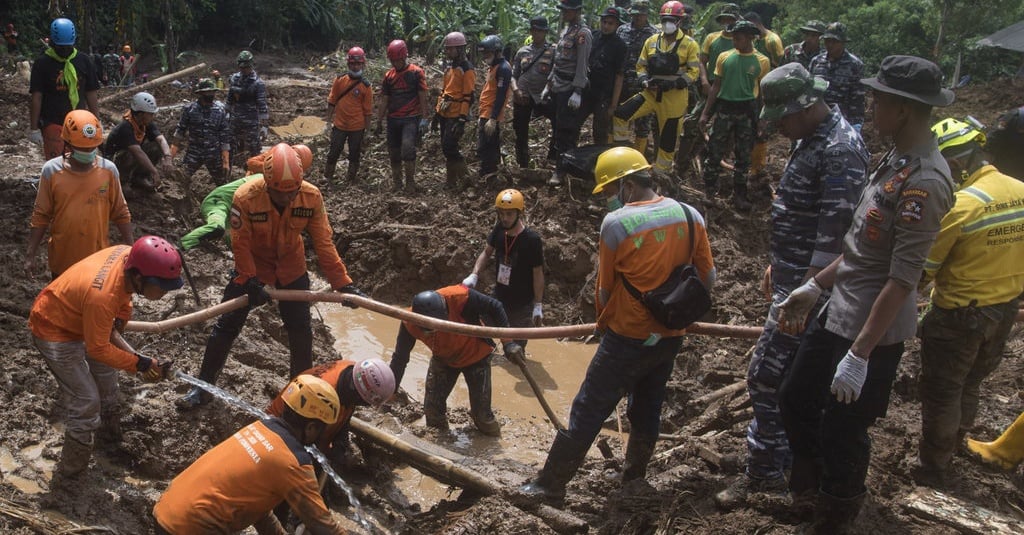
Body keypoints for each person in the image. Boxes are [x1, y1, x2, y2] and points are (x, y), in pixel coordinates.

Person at [777, 55, 955, 533]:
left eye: (878, 100)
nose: (870, 107)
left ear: (903, 109)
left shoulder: (925, 182)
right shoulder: (893, 160)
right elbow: (860, 247)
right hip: (840, 307)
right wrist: (815, 286)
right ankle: (811, 490)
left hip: (870, 331)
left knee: (844, 430)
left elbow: (902, 279)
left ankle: (835, 514)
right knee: (794, 397)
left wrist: (859, 355)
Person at [519, 146, 714, 502]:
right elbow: (707, 277)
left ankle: (549, 486)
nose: (610, 200)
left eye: (610, 192)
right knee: (647, 406)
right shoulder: (691, 215)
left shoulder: (617, 223)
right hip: (671, 334)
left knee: (588, 407)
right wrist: (677, 316)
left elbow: (604, 291)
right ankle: (633, 478)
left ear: (627, 185)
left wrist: (603, 326)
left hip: (627, 335)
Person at [714, 63, 869, 509]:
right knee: (788, 384)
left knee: (766, 377)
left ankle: (767, 474)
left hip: (810, 294)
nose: (777, 125)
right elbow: (804, 216)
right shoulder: (813, 139)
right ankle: (784, 464)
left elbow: (839, 236)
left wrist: (805, 291)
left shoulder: (839, 150)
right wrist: (776, 264)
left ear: (805, 106)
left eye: (781, 116)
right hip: (793, 278)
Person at [178, 144, 367, 409]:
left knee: (300, 331)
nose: (287, 198)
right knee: (226, 328)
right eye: (280, 193)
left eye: (292, 192)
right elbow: (240, 243)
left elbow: (324, 243)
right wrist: (250, 278)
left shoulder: (311, 197)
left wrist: (343, 284)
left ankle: (301, 393)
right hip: (253, 266)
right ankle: (202, 388)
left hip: (292, 266)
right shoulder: (246, 197)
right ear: (267, 184)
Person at [911, 118, 1024, 487]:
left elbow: (922, 271)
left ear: (955, 164)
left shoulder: (961, 207)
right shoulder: (1020, 190)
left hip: (958, 315)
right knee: (971, 383)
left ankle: (933, 468)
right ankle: (957, 442)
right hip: (1003, 310)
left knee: (943, 392)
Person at [29, 236, 179, 478]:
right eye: (161, 286)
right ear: (140, 277)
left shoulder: (129, 256)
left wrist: (122, 323)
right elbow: (98, 348)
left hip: (83, 317)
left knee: (107, 378)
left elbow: (122, 299)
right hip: (53, 328)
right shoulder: (102, 296)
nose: (164, 292)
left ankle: (108, 438)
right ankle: (71, 473)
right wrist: (140, 364)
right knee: (86, 399)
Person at [154, 375, 347, 534]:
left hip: (166, 513)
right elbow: (322, 525)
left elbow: (256, 509)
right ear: (312, 427)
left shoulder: (260, 427)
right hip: (193, 528)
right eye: (323, 430)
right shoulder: (294, 462)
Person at [388, 286, 525, 436]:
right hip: (443, 359)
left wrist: (508, 342)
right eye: (428, 330)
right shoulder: (410, 321)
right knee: (432, 410)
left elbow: (495, 306)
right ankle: (440, 440)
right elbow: (400, 357)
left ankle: (492, 438)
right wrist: (390, 390)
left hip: (476, 356)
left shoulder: (460, 297)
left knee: (482, 415)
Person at [26, 110, 133, 279]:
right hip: (62, 259)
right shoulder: (52, 171)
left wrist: (131, 248)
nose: (88, 152)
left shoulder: (108, 171)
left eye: (92, 147)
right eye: (83, 148)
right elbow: (41, 215)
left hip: (97, 260)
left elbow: (121, 212)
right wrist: (30, 254)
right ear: (67, 143)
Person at [614, 1, 699, 174]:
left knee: (667, 140)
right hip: (650, 93)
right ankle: (623, 154)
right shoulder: (652, 41)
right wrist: (644, 80)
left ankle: (661, 174)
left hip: (673, 98)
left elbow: (693, 72)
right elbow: (641, 65)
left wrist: (676, 83)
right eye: (665, 19)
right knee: (621, 115)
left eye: (672, 19)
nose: (668, 22)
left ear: (679, 21)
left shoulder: (689, 44)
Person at [183, 144, 316, 251]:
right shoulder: (262, 183)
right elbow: (250, 164)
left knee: (237, 245)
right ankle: (181, 246)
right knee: (217, 226)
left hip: (235, 211)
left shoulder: (272, 182)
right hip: (219, 202)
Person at [699, 20, 770, 212]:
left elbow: (763, 93)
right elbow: (716, 87)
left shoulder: (761, 61)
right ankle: (709, 191)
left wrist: (763, 119)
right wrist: (706, 113)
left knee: (743, 155)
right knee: (715, 151)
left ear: (749, 38)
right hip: (724, 109)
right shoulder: (724, 57)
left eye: (738, 38)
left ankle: (739, 194)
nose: (734, 41)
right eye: (733, 37)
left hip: (747, 111)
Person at [267, 359, 395, 463]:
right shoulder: (323, 396)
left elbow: (348, 410)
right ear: (357, 395)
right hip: (279, 436)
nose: (366, 406)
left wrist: (340, 443)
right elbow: (306, 434)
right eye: (365, 403)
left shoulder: (352, 371)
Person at [463, 189, 546, 349]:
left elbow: (538, 273)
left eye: (509, 214)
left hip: (522, 304)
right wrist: (474, 275)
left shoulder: (532, 240)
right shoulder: (499, 230)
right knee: (480, 339)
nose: (504, 218)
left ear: (519, 213)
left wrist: (538, 305)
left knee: (516, 351)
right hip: (499, 297)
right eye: (501, 214)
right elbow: (487, 252)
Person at [29, 18, 101, 160]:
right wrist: (34, 128)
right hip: (52, 121)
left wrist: (97, 122)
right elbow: (36, 97)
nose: (64, 51)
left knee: (82, 162)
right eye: (60, 47)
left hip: (79, 122)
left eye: (67, 47)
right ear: (53, 43)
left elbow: (91, 94)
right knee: (58, 164)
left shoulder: (84, 61)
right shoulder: (43, 63)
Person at [545, 0, 593, 186]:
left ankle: (562, 170)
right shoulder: (566, 31)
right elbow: (558, 60)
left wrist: (578, 90)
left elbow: (582, 63)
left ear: (577, 11)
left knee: (567, 131)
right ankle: (561, 164)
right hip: (558, 83)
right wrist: (548, 83)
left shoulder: (583, 33)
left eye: (568, 10)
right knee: (558, 128)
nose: (565, 13)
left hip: (570, 88)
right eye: (564, 10)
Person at [376, 39, 430, 192]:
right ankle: (397, 183)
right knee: (393, 151)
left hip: (411, 118)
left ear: (404, 57)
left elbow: (422, 96)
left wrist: (425, 118)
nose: (395, 63)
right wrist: (379, 120)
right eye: (393, 60)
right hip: (393, 119)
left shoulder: (416, 73)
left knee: (407, 149)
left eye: (398, 60)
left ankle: (410, 183)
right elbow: (384, 99)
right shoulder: (389, 76)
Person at [103, 92, 174, 191]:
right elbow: (137, 152)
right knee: (132, 153)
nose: (152, 116)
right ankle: (122, 181)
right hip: (113, 161)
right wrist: (154, 171)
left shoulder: (145, 123)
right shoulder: (125, 127)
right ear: (141, 114)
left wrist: (168, 157)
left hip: (128, 156)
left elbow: (161, 139)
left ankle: (140, 177)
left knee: (155, 146)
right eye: (150, 114)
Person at [612, 1, 658, 153]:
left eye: (641, 14)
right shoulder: (622, 30)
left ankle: (639, 158)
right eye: (635, 14)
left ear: (646, 15)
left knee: (642, 125)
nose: (637, 18)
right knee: (618, 118)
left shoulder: (655, 34)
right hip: (621, 83)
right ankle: (618, 154)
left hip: (643, 85)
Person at [511, 17, 556, 168]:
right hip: (523, 95)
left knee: (558, 123)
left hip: (543, 96)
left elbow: (556, 73)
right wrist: (515, 90)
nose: (537, 34)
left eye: (541, 31)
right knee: (520, 129)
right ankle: (522, 162)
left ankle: (552, 159)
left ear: (545, 32)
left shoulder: (552, 51)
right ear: (531, 31)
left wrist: (548, 90)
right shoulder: (522, 51)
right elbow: (513, 75)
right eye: (535, 30)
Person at [324, 46, 372, 185]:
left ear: (363, 64)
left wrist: (368, 131)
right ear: (348, 64)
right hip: (340, 125)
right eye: (353, 64)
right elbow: (332, 101)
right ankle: (328, 177)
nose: (356, 67)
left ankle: (350, 180)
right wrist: (328, 122)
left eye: (358, 64)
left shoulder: (366, 86)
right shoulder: (339, 80)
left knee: (354, 154)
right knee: (334, 151)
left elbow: (368, 111)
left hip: (357, 127)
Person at [170, 78, 232, 183]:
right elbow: (180, 131)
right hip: (194, 152)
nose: (210, 94)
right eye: (208, 92)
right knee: (181, 179)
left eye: (212, 92)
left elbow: (224, 136)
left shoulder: (220, 110)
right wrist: (171, 155)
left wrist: (225, 161)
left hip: (214, 154)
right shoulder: (190, 110)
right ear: (200, 93)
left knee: (222, 183)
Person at [580, 7, 626, 146]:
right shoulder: (593, 36)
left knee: (600, 132)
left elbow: (619, 75)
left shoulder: (620, 45)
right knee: (573, 124)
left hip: (604, 96)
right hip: (586, 91)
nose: (606, 26)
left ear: (617, 25)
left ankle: (599, 162)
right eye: (604, 22)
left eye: (610, 23)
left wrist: (613, 104)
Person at [436, 31, 475, 189]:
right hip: (445, 111)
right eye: (447, 49)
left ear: (460, 49)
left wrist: (462, 119)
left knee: (450, 146)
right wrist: (437, 113)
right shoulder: (450, 68)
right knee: (446, 147)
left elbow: (468, 96)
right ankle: (450, 181)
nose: (448, 52)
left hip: (457, 113)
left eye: (451, 49)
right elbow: (444, 91)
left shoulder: (467, 69)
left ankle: (466, 179)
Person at [809, 23, 865, 131]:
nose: (829, 44)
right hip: (816, 121)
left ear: (843, 43)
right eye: (827, 41)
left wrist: (855, 127)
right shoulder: (816, 62)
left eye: (834, 42)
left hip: (842, 123)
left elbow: (857, 101)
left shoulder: (854, 65)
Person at [477, 35, 512, 188]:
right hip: (485, 113)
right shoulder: (494, 67)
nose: (485, 57)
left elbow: (501, 94)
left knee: (488, 148)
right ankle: (489, 176)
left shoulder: (503, 68)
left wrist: (493, 118)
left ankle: (490, 178)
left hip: (491, 115)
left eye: (487, 54)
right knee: (486, 147)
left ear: (497, 52)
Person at [227, 50, 269, 164]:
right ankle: (226, 172)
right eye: (242, 68)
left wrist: (264, 126)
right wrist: (227, 114)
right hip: (235, 119)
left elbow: (262, 105)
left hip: (251, 121)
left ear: (251, 66)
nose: (244, 70)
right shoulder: (234, 79)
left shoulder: (257, 83)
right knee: (228, 146)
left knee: (254, 148)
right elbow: (229, 99)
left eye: (246, 67)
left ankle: (256, 174)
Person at [698, 3, 742, 94]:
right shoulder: (711, 38)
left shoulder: (744, 40)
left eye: (731, 19)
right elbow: (702, 62)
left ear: (737, 20)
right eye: (724, 19)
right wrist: (705, 82)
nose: (727, 22)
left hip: (735, 85)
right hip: (713, 83)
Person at [986, 105, 1024, 180]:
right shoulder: (1016, 116)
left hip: (1006, 165)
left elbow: (992, 139)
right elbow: (993, 138)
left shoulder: (1015, 116)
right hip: (1007, 162)